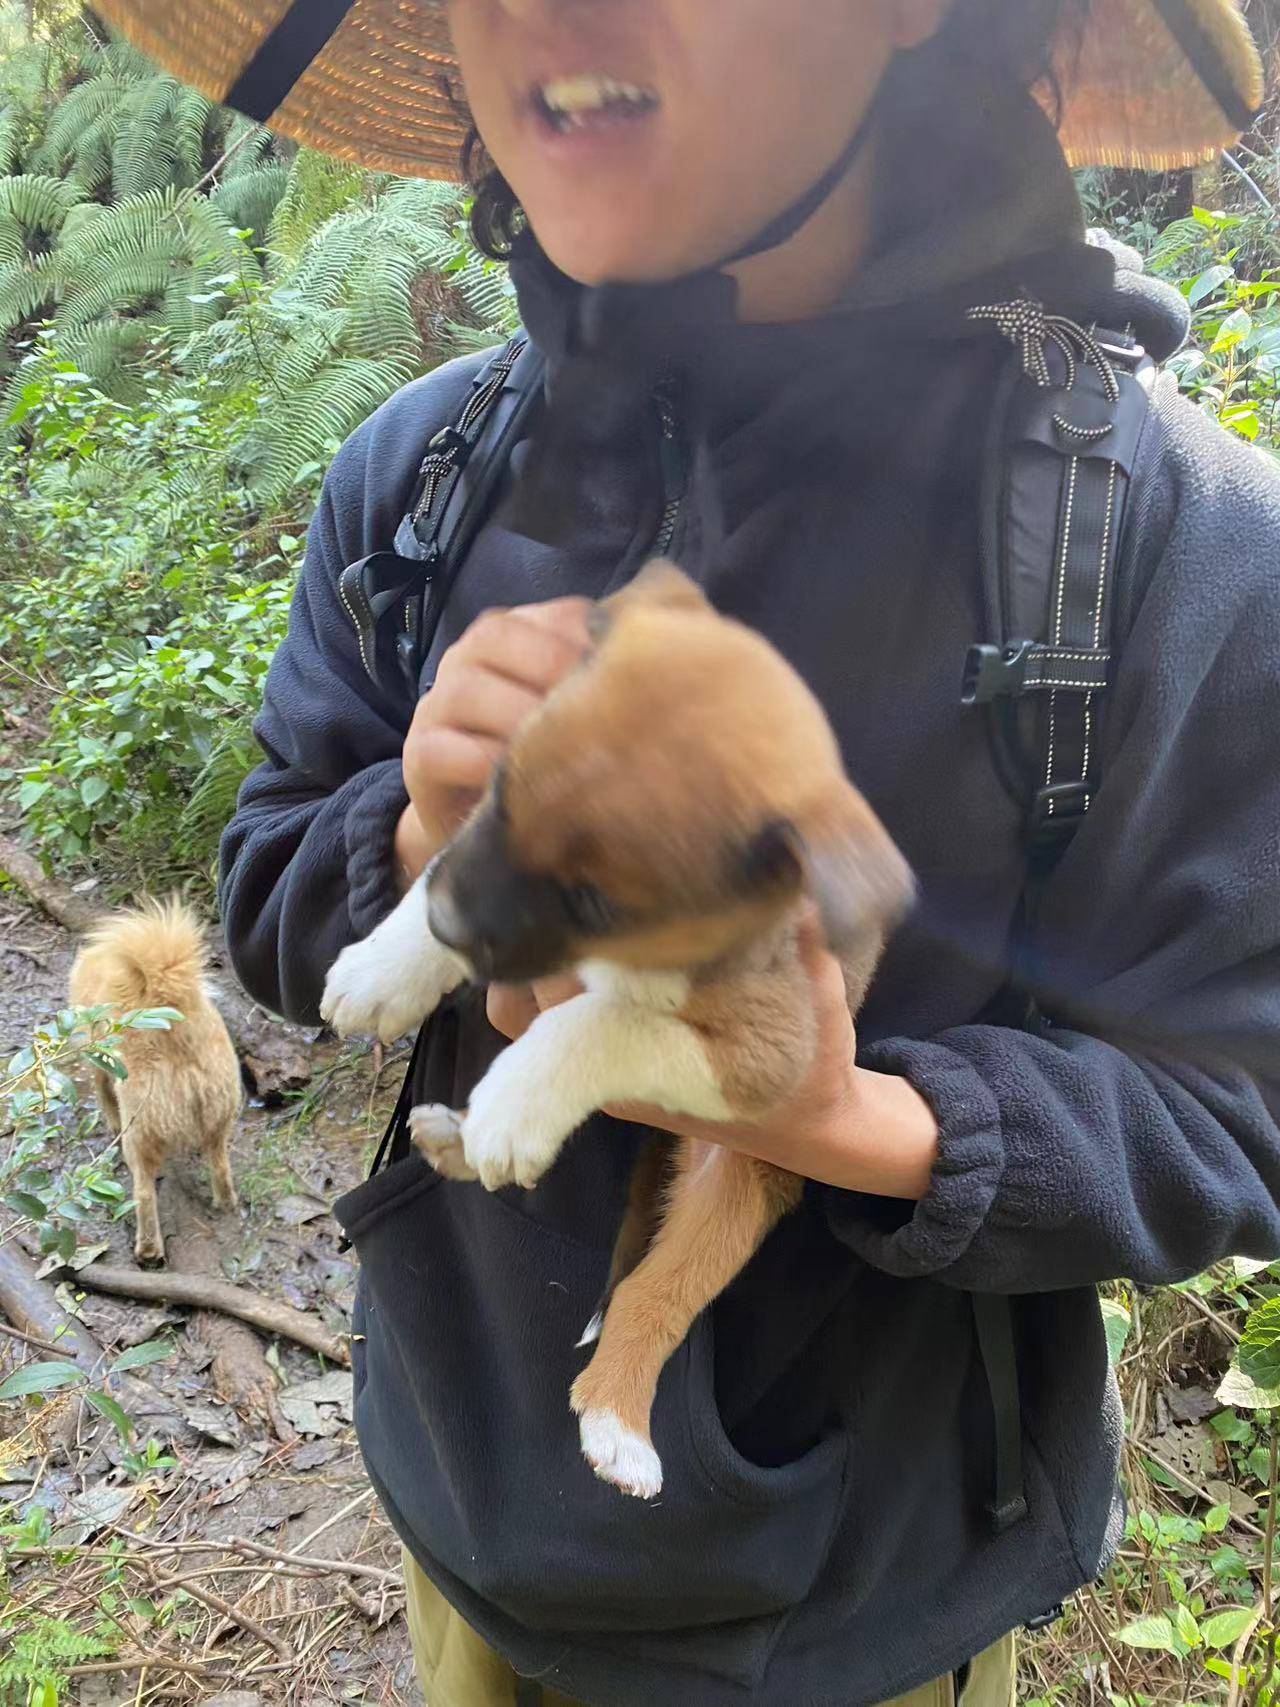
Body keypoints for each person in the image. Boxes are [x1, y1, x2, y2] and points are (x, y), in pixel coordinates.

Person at [101, 0, 1280, 1702]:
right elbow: (275, 882)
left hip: (874, 1616)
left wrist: (857, 1120)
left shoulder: (1174, 554)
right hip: (471, 1525)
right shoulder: (428, 472)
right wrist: (424, 847)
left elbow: (1238, 1105)